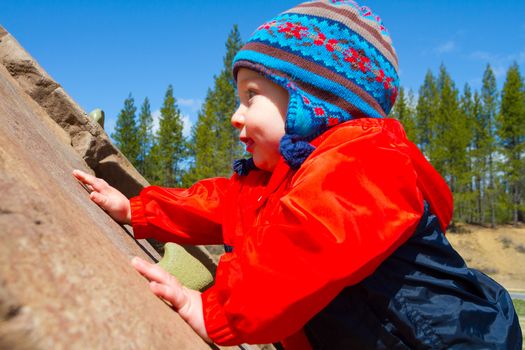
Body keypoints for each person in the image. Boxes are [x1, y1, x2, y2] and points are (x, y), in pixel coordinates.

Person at [73, 1, 522, 349]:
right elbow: (223, 202)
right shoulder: (282, 178)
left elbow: (307, 239)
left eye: (252, 97)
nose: (236, 115)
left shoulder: (365, 162)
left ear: (314, 100)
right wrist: (137, 208)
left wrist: (216, 311)